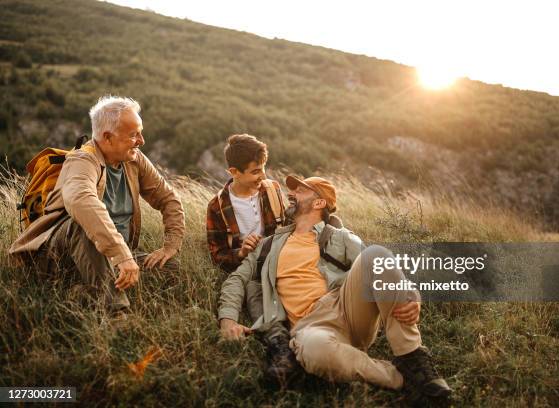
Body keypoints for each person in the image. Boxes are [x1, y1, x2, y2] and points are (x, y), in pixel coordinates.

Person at [217, 175, 451, 400]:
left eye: (300, 190)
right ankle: (402, 378)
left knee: (376, 255)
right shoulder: (268, 244)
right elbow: (237, 279)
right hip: (309, 325)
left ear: (319, 202)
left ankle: (411, 355)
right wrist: (227, 319)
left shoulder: (340, 237)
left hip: (347, 307)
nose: (292, 193)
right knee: (315, 352)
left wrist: (411, 295)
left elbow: (380, 267)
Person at [9, 95, 185, 315]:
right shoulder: (82, 161)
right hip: (65, 255)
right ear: (108, 137)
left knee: (170, 269)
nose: (141, 140)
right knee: (84, 225)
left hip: (114, 255)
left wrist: (170, 245)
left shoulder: (134, 159)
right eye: (133, 135)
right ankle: (116, 315)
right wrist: (121, 254)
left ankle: (81, 291)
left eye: (140, 132)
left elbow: (168, 199)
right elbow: (81, 201)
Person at [206, 134, 298, 382]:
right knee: (258, 300)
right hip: (252, 267)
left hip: (281, 257)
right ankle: (280, 351)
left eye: (264, 169)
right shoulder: (217, 206)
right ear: (234, 171)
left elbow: (290, 224)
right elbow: (217, 255)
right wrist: (241, 252)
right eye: (256, 172)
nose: (263, 177)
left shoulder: (272, 190)